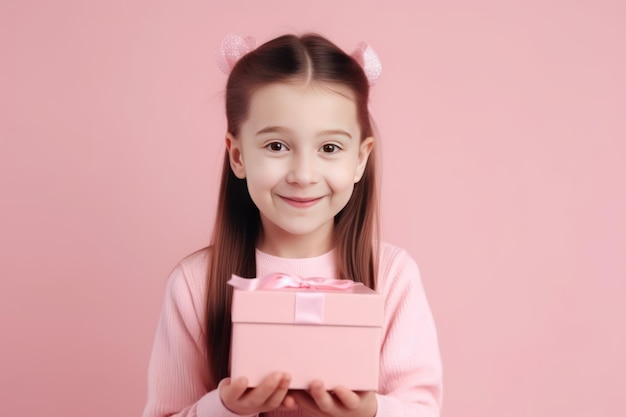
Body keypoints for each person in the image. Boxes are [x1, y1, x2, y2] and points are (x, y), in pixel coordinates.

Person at [143, 33, 442, 417]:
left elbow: (423, 409)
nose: (303, 174)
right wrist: (225, 407)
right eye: (277, 146)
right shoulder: (195, 284)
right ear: (237, 155)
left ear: (360, 159)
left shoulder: (392, 276)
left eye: (329, 148)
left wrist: (370, 413)